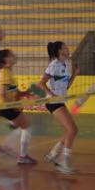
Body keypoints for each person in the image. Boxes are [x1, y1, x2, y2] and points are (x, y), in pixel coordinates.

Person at [39, 41, 79, 174]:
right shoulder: (54, 65)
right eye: (65, 47)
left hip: (60, 101)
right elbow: (41, 83)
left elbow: (66, 86)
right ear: (60, 51)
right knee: (72, 130)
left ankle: (53, 154)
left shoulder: (65, 64)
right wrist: (52, 94)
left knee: (71, 130)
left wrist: (74, 74)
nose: (68, 49)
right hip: (53, 102)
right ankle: (64, 162)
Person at [0, 49, 36, 165]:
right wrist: (14, 106)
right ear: (6, 59)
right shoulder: (5, 72)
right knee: (27, 127)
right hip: (5, 106)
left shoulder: (8, 72)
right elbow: (2, 93)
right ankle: (22, 156)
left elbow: (12, 90)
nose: (14, 56)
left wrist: (24, 93)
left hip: (6, 106)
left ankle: (7, 147)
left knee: (21, 127)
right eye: (11, 55)